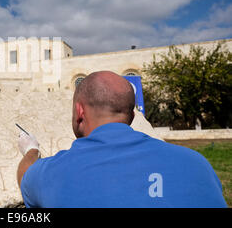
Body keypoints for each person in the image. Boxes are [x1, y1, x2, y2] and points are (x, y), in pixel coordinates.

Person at [17, 71, 227, 208]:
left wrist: (31, 150)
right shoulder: (197, 164)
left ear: (79, 111)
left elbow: (25, 177)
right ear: (133, 116)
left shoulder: (52, 173)